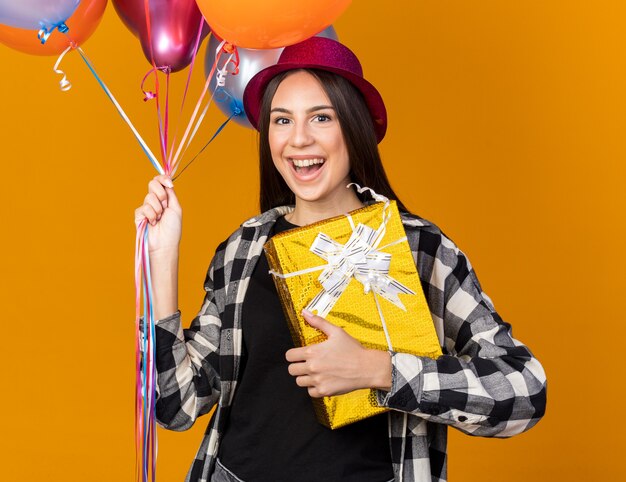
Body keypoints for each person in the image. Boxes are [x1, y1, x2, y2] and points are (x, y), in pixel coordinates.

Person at [135, 37, 547, 482]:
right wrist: (162, 260)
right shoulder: (244, 248)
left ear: (354, 128)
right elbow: (175, 406)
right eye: (282, 120)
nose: (299, 139)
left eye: (322, 117)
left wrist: (380, 370)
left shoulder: (418, 249)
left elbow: (524, 390)